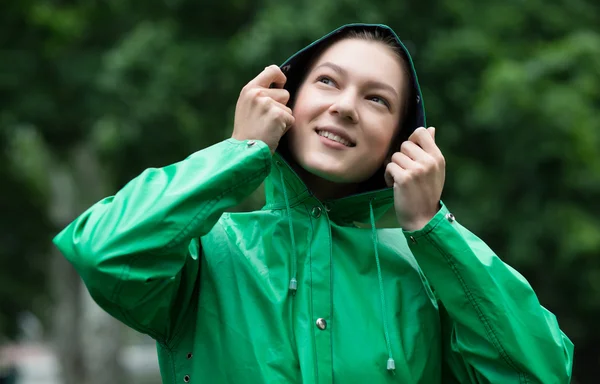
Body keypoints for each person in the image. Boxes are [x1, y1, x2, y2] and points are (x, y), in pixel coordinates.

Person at [53, 24, 574, 383]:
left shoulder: (427, 277)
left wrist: (432, 227)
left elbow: (538, 372)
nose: (345, 106)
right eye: (327, 81)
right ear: (288, 101)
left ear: (400, 139)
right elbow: (105, 253)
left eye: (377, 99)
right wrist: (239, 153)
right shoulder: (206, 255)